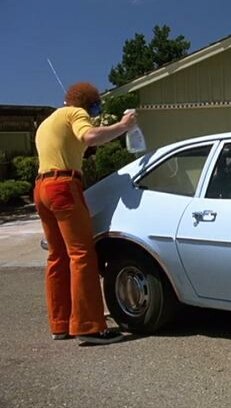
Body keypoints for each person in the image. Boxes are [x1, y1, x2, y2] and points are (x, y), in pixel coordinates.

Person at [34, 82, 137, 345]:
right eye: (96, 106)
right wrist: (124, 126)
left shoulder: (48, 121)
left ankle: (60, 324)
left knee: (57, 256)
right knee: (81, 254)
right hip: (64, 186)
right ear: (89, 104)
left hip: (41, 188)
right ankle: (89, 327)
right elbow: (89, 137)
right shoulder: (75, 114)